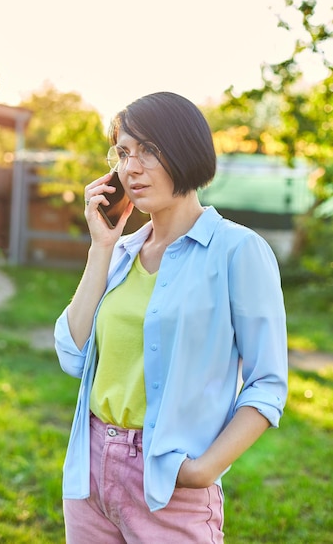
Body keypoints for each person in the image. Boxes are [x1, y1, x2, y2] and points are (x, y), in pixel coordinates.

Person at [54, 91, 288, 543]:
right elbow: (72, 354)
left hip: (169, 483)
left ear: (185, 151)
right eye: (123, 152)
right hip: (90, 472)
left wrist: (202, 472)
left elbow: (267, 383)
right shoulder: (120, 252)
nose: (131, 167)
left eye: (149, 150)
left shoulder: (238, 251)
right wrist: (100, 248)